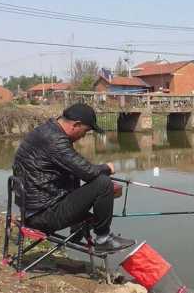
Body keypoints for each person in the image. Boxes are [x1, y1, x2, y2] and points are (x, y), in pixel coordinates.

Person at [12, 103, 135, 252]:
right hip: (43, 216)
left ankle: (77, 231)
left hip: (33, 209)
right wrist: (107, 168)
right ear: (76, 125)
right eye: (86, 131)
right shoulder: (55, 140)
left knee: (91, 188)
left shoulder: (47, 131)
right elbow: (88, 172)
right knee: (103, 183)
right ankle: (103, 239)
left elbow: (76, 169)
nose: (84, 136)